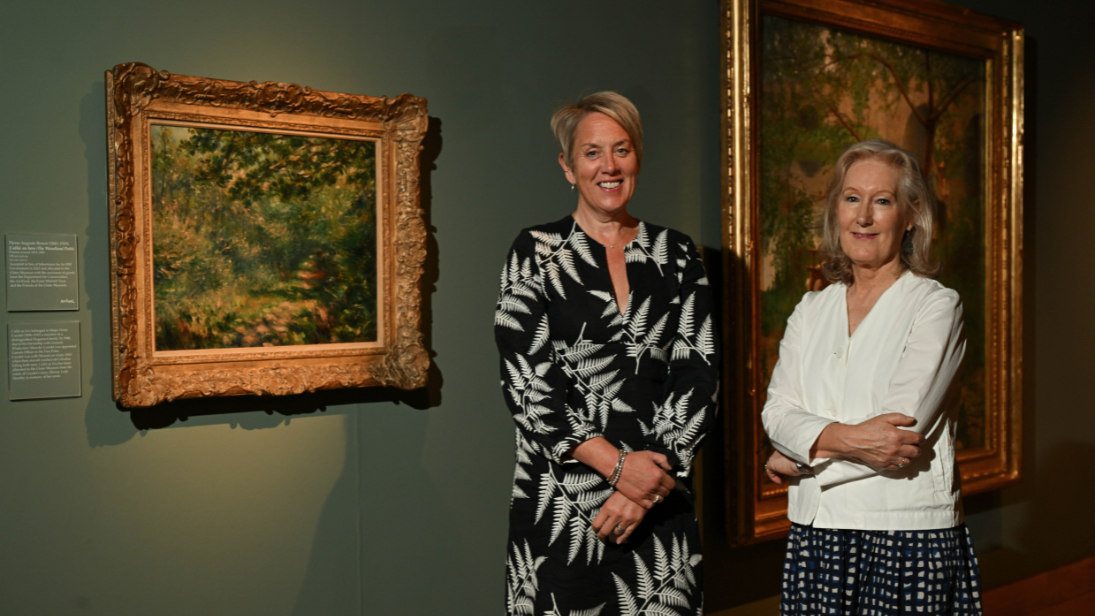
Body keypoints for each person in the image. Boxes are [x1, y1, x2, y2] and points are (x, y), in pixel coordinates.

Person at [495, 92, 718, 616]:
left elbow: (698, 376)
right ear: (568, 167)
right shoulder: (533, 251)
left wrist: (644, 487)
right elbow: (526, 385)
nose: (609, 166)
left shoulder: (680, 253)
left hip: (661, 502)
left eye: (622, 149)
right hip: (561, 505)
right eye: (592, 153)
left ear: (638, 157)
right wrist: (620, 469)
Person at [762, 139, 982, 615]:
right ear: (836, 210)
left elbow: (896, 437)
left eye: (882, 201)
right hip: (815, 536)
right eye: (851, 198)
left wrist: (799, 458)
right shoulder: (810, 308)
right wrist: (831, 440)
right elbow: (776, 413)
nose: (863, 217)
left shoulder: (936, 305)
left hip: (906, 538)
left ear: (910, 216)